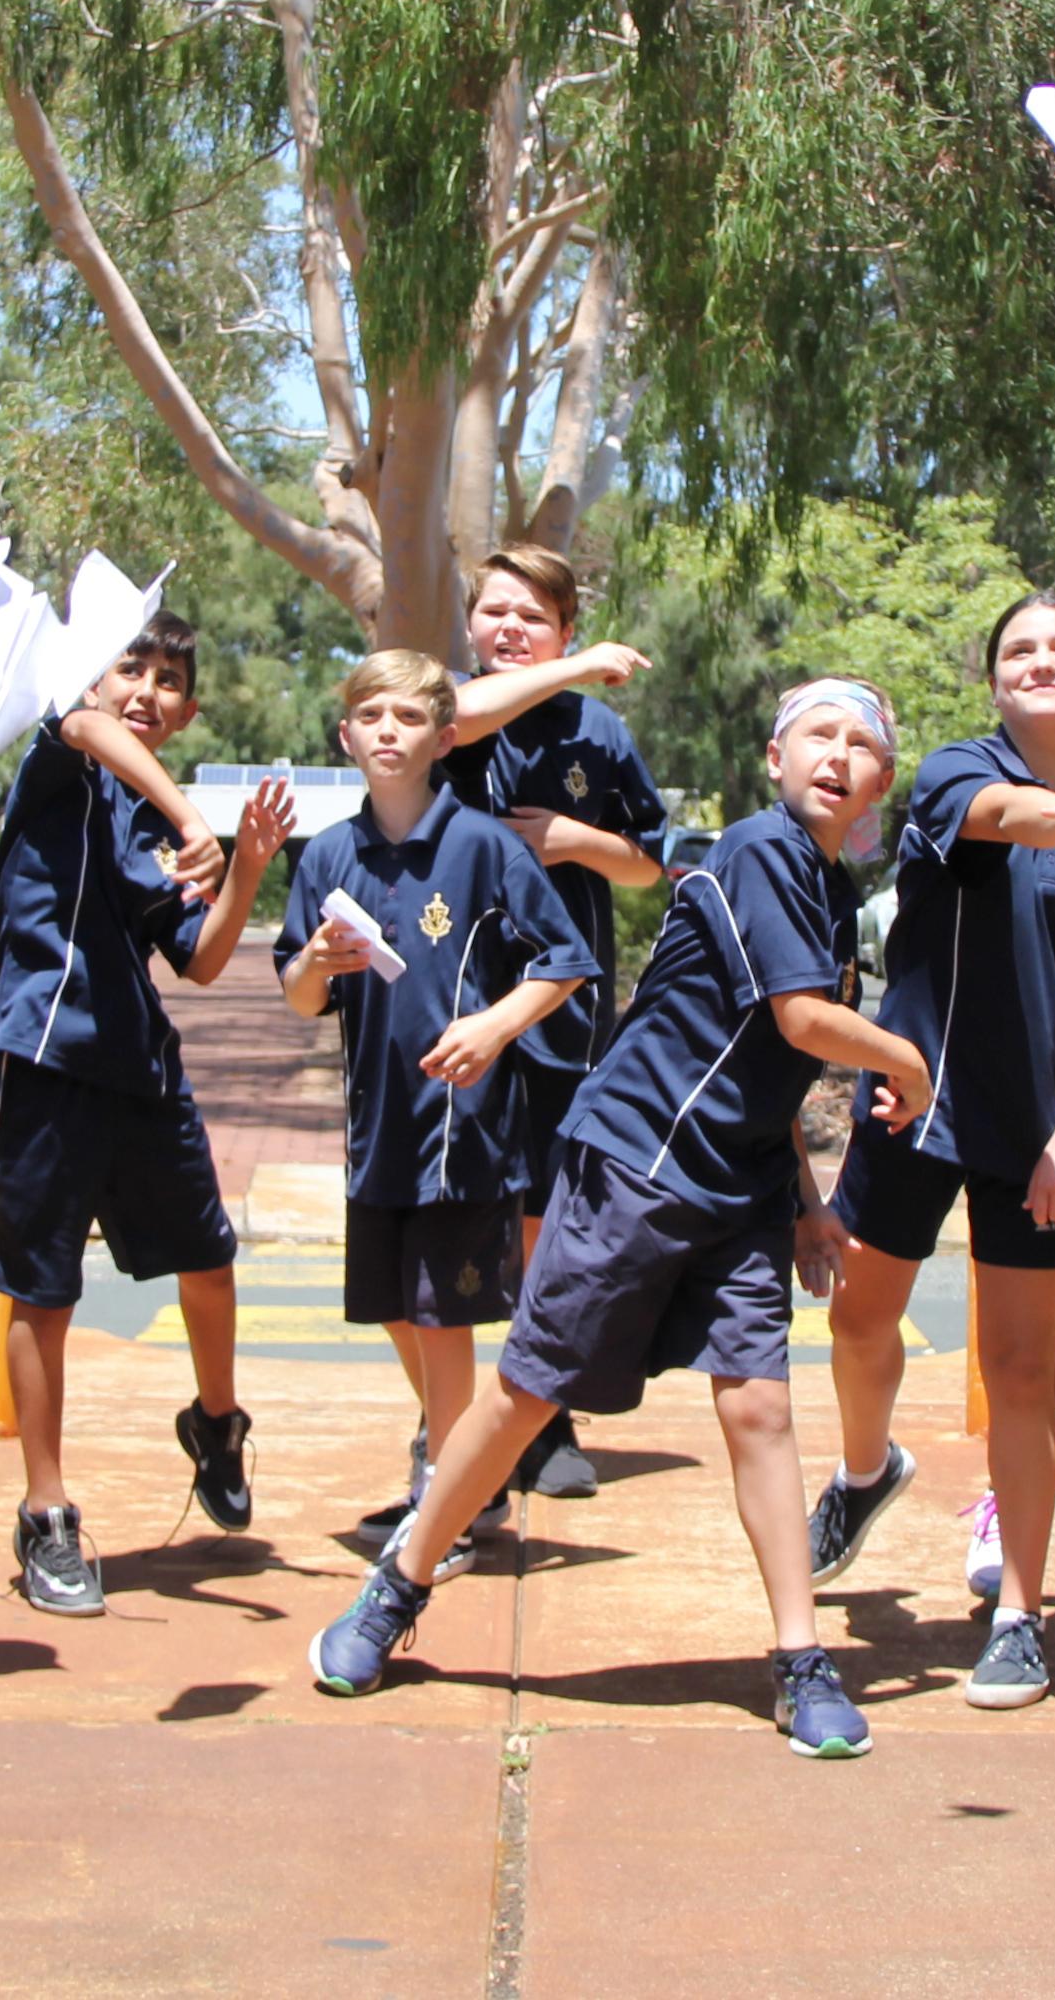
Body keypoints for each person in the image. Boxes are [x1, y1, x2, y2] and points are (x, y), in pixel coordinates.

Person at [310, 680, 931, 1759]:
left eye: (861, 745)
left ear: (880, 782)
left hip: (740, 1189)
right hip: (639, 1164)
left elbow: (763, 1061)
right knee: (527, 1393)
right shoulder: (758, 850)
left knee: (761, 1410)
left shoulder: (829, 889)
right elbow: (802, 1019)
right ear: (776, 757)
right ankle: (397, 1586)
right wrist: (908, 1058)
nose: (837, 755)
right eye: (817, 736)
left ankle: (800, 1659)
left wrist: (806, 1202)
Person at [811, 592, 1055, 1710]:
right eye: (1021, 649)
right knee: (858, 1319)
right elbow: (1000, 815)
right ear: (996, 680)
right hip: (913, 1103)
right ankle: (866, 1472)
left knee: (1020, 1376)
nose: (1043, 661)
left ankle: (1020, 1617)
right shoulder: (963, 770)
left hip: (1036, 1136)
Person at [0, 613, 292, 1616]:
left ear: (189, 711)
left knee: (210, 1261)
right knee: (43, 1292)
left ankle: (215, 1423)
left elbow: (199, 961)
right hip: (45, 1059)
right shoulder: (62, 754)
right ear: (94, 679)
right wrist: (194, 815)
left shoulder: (156, 827)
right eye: (132, 668)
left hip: (141, 1069)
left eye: (169, 680)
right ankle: (47, 1514)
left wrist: (245, 863)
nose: (148, 690)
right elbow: (86, 727)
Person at [277, 649, 596, 1540]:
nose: (389, 732)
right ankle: (470, 1474)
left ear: (444, 738)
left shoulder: (484, 846)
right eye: (372, 716)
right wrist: (315, 963)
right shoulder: (328, 855)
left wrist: (494, 1027)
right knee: (394, 1310)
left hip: (461, 1135)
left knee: (440, 1317)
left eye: (410, 718)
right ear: (346, 735)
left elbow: (567, 961)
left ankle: (444, 1509)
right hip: (375, 1131)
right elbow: (299, 995)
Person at [442, 545, 668, 1503]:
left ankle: (542, 1413)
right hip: (453, 1008)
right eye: (496, 611)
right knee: (454, 1214)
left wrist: (574, 841)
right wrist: (570, 666)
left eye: (535, 617)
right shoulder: (445, 703)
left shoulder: (598, 733)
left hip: (561, 1013)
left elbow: (648, 864)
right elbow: (453, 722)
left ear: (566, 626)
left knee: (545, 1214)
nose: (511, 629)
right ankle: (448, 1430)